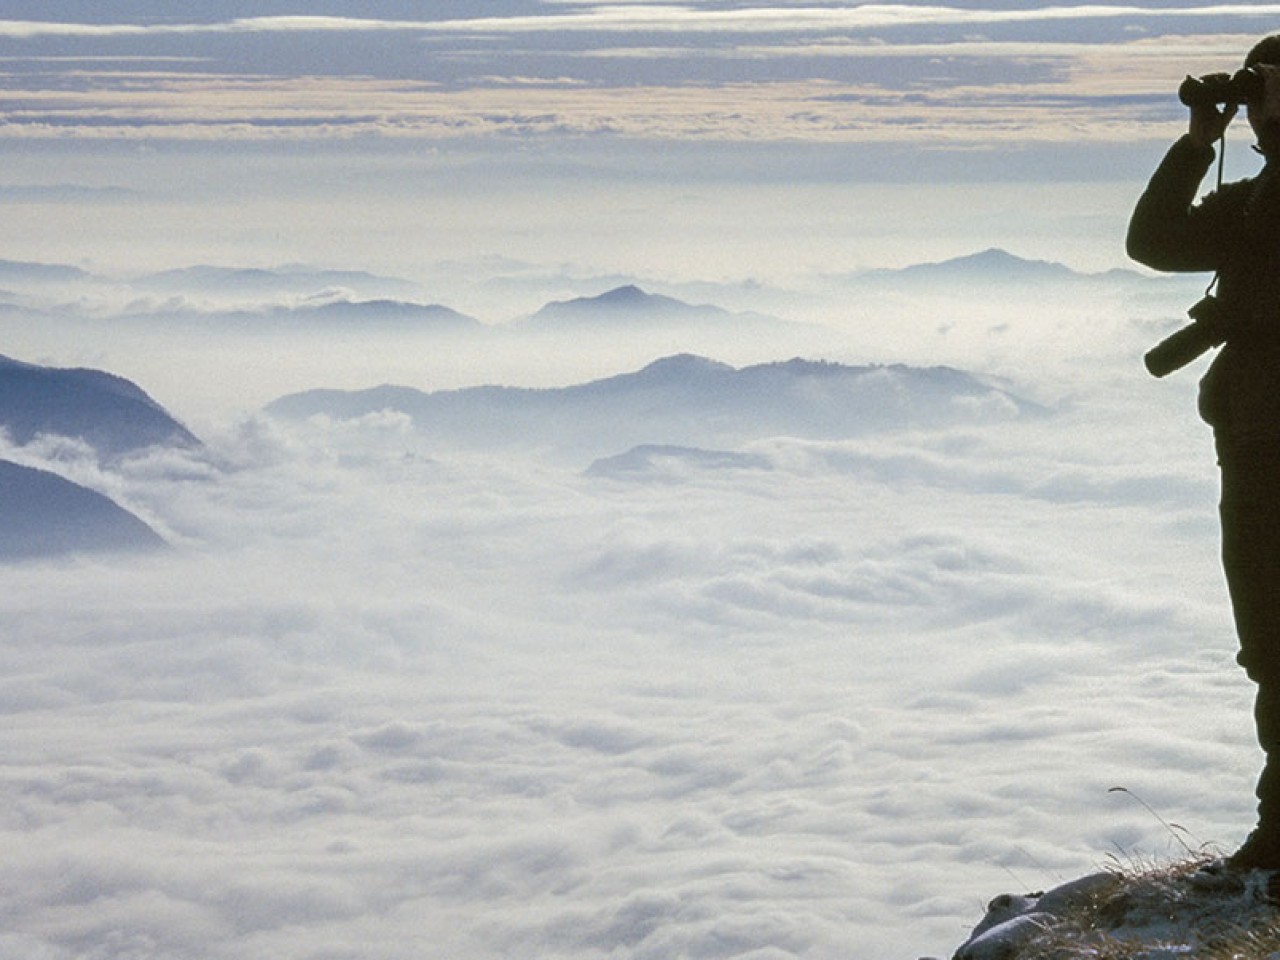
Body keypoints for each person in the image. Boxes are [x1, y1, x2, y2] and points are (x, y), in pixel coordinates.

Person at [1127, 34, 1280, 871]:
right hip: (1253, 447)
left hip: (1269, 450)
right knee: (1269, 644)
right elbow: (1153, 242)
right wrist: (1197, 143)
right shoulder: (1251, 201)